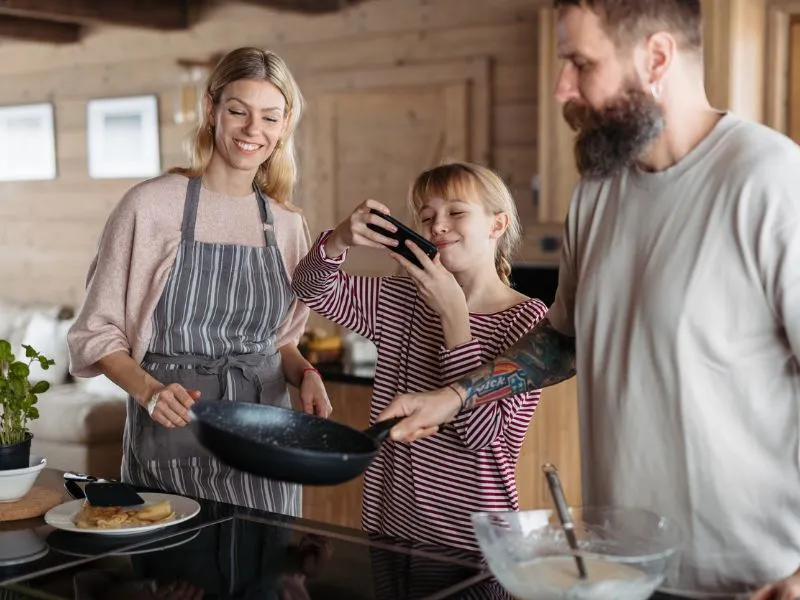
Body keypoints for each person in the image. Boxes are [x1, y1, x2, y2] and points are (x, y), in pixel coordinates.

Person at [377, 1, 800, 598]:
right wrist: (456, 395)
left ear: (657, 57)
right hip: (615, 569)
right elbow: (562, 338)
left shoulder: (771, 182)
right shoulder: (597, 193)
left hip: (751, 580)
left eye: (580, 63)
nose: (561, 88)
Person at [67, 47, 332, 516]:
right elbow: (96, 333)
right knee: (174, 559)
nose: (253, 130)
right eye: (239, 111)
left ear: (285, 124)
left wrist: (307, 374)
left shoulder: (287, 224)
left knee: (265, 559)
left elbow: (280, 341)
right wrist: (148, 391)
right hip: (173, 435)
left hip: (266, 443)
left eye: (270, 117)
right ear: (211, 108)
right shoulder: (150, 207)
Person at [291, 162, 548, 551]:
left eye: (456, 212)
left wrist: (454, 318)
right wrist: (338, 240)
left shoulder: (527, 319)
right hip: (390, 525)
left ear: (497, 225)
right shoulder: (402, 299)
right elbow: (309, 288)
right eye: (427, 218)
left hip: (475, 541)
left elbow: (479, 434)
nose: (438, 226)